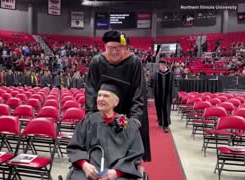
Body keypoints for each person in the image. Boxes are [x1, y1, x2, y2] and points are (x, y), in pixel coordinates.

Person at [85, 30, 150, 162]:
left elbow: (139, 91)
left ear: (125, 47)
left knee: (126, 157)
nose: (114, 52)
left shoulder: (134, 62)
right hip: (102, 115)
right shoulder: (97, 61)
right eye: (110, 48)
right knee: (100, 154)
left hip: (127, 115)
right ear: (105, 47)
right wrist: (92, 114)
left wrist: (135, 118)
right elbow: (91, 90)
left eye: (118, 48)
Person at [67, 75, 144, 180]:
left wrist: (116, 172)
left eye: (106, 96)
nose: (100, 99)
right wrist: (84, 165)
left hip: (118, 174)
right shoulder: (88, 121)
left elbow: (135, 152)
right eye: (99, 95)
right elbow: (74, 147)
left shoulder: (126, 124)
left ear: (116, 102)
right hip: (89, 171)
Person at [149, 60, 174, 133]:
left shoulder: (171, 74)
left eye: (163, 65)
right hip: (158, 95)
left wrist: (173, 96)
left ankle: (166, 125)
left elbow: (174, 85)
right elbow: (151, 83)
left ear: (166, 66)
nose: (162, 67)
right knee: (159, 109)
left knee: (166, 109)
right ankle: (160, 122)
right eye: (160, 65)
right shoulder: (156, 74)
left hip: (167, 96)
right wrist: (152, 94)